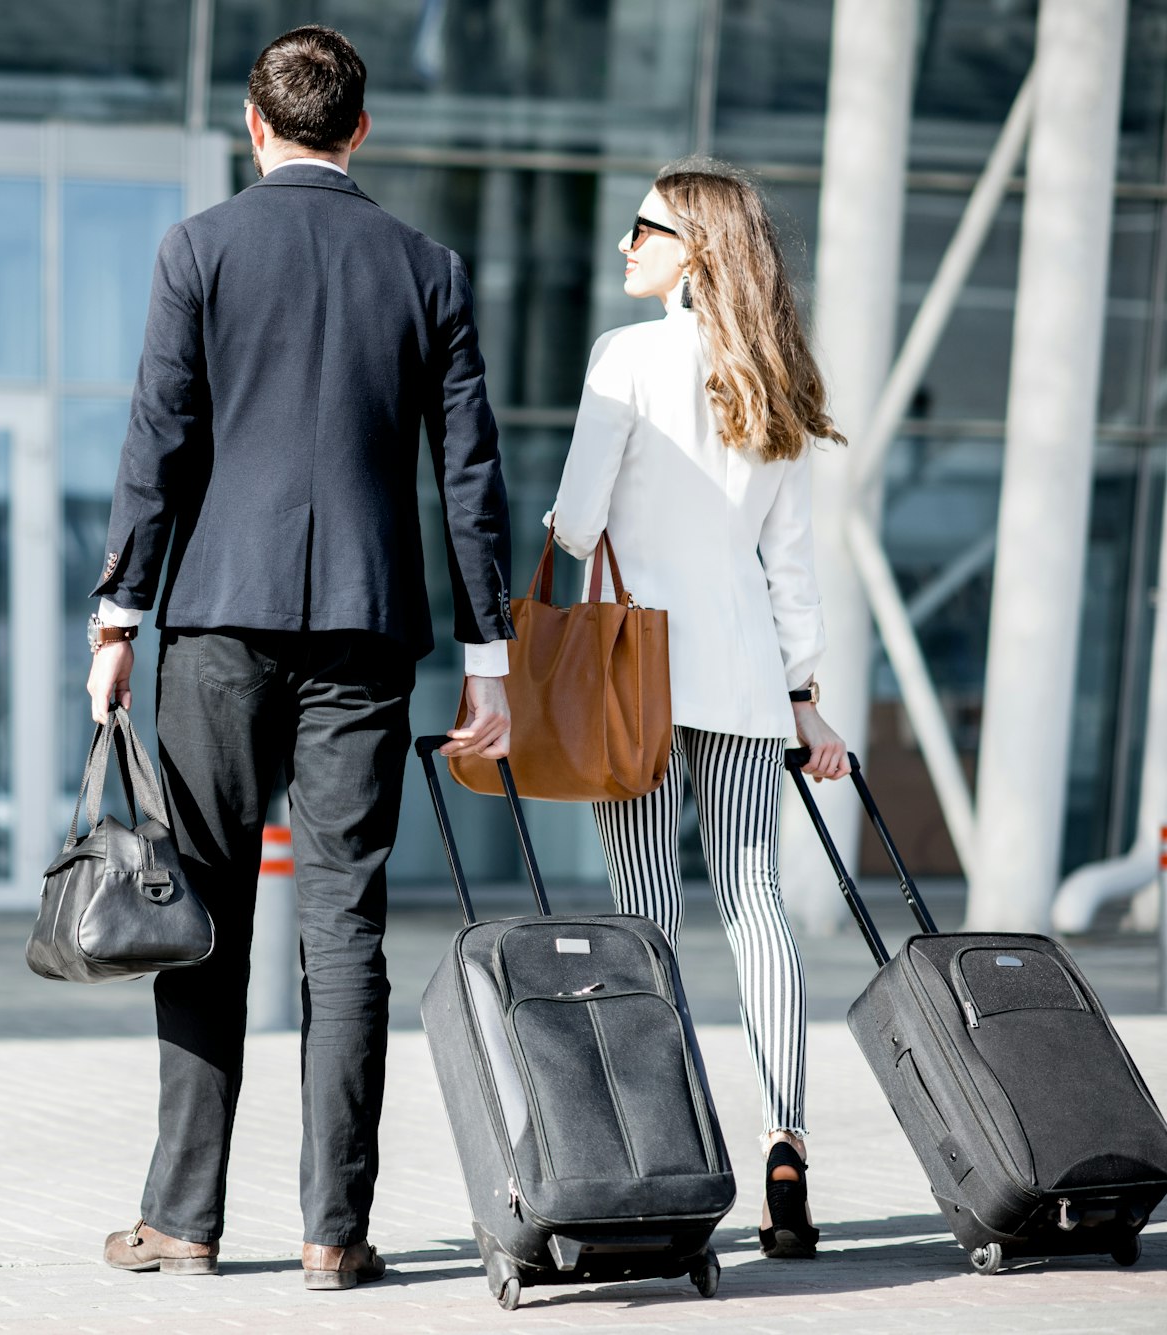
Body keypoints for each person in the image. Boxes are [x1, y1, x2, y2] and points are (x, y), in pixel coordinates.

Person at [85, 25, 514, 1291]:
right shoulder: (425, 265)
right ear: (360, 130)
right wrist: (486, 653)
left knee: (202, 914)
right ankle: (336, 1230)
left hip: (215, 620)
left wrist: (118, 619)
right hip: (368, 629)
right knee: (345, 925)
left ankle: (182, 1219)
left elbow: (157, 444)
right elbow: (470, 477)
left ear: (254, 125)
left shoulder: (199, 250)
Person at [546, 158, 849, 1260]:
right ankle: (785, 1145)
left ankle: (665, 1154)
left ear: (695, 249)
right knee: (755, 899)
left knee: (642, 910)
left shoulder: (624, 357)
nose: (626, 245)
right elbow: (791, 570)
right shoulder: (776, 375)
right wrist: (805, 700)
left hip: (631, 672)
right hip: (741, 678)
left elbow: (577, 524)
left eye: (645, 229)